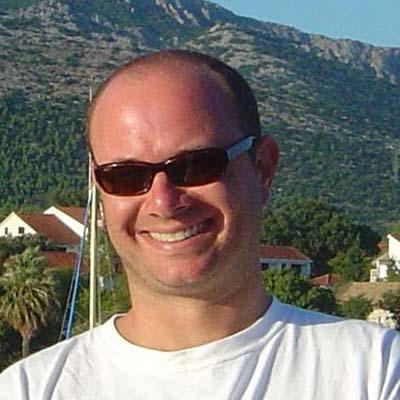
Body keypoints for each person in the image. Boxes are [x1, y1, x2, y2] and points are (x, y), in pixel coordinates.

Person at [0, 49, 399, 400]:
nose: (163, 202)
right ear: (98, 187)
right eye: (126, 176)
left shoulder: (373, 370)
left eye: (196, 166)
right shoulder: (28, 390)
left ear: (263, 168)